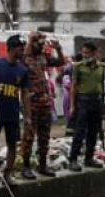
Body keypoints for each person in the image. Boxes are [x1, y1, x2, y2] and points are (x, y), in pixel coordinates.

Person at [0, 34, 31, 186]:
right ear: (11, 48)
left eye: (23, 48)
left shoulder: (23, 70)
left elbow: (24, 94)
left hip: (12, 113)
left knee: (12, 144)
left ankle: (8, 174)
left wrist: (28, 116)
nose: (22, 51)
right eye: (20, 48)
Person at [20, 31, 64, 179]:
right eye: (39, 43)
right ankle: (26, 166)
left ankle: (42, 165)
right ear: (31, 42)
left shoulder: (43, 57)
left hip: (45, 101)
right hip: (31, 102)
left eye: (43, 44)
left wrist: (58, 49)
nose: (41, 46)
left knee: (44, 136)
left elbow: (60, 62)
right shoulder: (24, 58)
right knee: (29, 136)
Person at [68, 41, 105, 171]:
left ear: (95, 53)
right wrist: (72, 106)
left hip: (96, 101)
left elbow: (102, 86)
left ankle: (89, 158)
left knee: (93, 131)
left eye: (87, 53)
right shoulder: (78, 66)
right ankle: (73, 159)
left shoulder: (102, 67)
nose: (85, 55)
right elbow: (73, 86)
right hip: (83, 100)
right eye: (83, 53)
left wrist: (103, 103)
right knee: (79, 131)